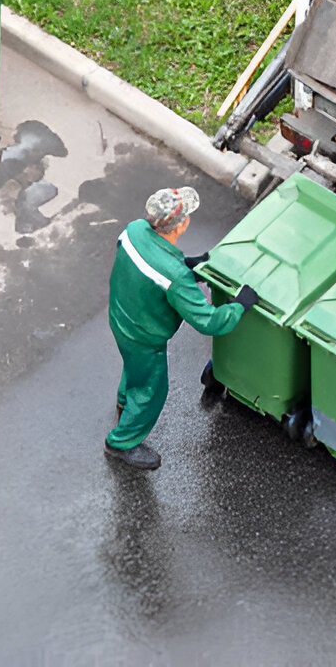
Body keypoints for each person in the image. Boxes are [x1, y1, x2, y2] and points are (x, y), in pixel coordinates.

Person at [106, 186, 259, 470]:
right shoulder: (174, 276)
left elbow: (149, 265)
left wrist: (187, 264)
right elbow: (209, 322)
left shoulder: (133, 230)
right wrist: (240, 304)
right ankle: (121, 442)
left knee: (134, 367)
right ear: (181, 224)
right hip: (145, 336)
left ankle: (123, 401)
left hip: (120, 318)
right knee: (152, 390)